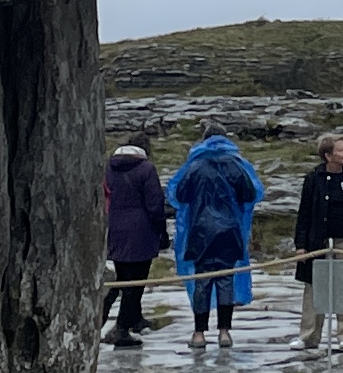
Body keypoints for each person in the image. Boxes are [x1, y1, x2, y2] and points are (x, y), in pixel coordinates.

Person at [170, 127, 263, 358]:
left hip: (200, 231)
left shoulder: (194, 166)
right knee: (225, 280)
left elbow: (179, 195)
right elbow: (250, 194)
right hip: (229, 231)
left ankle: (199, 333)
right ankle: (224, 332)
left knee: (201, 281)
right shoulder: (236, 165)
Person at [293, 134, 343, 354]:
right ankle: (309, 335)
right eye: (340, 150)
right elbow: (304, 212)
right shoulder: (313, 178)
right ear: (328, 155)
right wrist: (301, 244)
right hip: (319, 241)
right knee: (315, 287)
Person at [101, 140, 167, 347]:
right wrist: (161, 231)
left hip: (115, 226)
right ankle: (121, 327)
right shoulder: (146, 169)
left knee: (122, 277)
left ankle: (132, 319)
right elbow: (155, 204)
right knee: (136, 281)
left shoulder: (107, 167)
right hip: (141, 230)